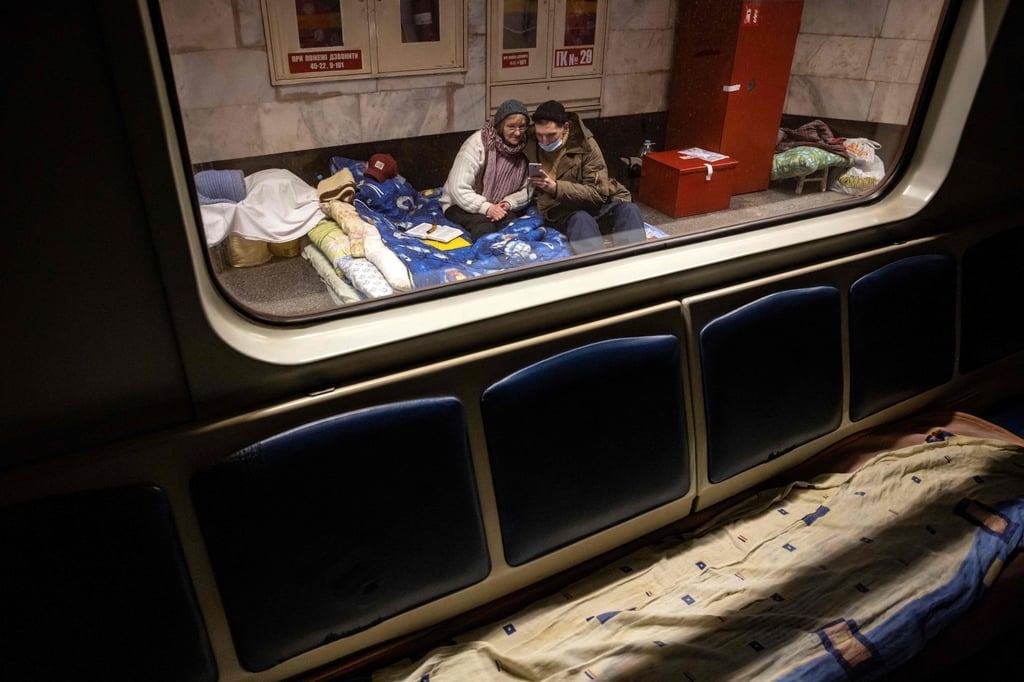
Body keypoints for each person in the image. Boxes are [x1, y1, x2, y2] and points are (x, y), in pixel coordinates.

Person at [525, 100, 645, 254]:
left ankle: (634, 261)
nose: (545, 141)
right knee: (581, 220)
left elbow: (598, 193)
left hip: (596, 203)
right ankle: (596, 265)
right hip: (562, 209)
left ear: (565, 127)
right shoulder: (529, 142)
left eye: (551, 135)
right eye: (539, 135)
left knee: (629, 210)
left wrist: (556, 187)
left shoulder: (586, 145)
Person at [441, 99, 532, 241]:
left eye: (522, 127)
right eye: (511, 127)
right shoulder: (478, 143)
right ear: (500, 126)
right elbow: (458, 188)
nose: (517, 133)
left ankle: (512, 252)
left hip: (499, 205)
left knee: (510, 223)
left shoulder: (526, 148)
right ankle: (487, 253)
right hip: (460, 203)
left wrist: (509, 203)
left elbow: (528, 189)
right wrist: (487, 208)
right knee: (484, 226)